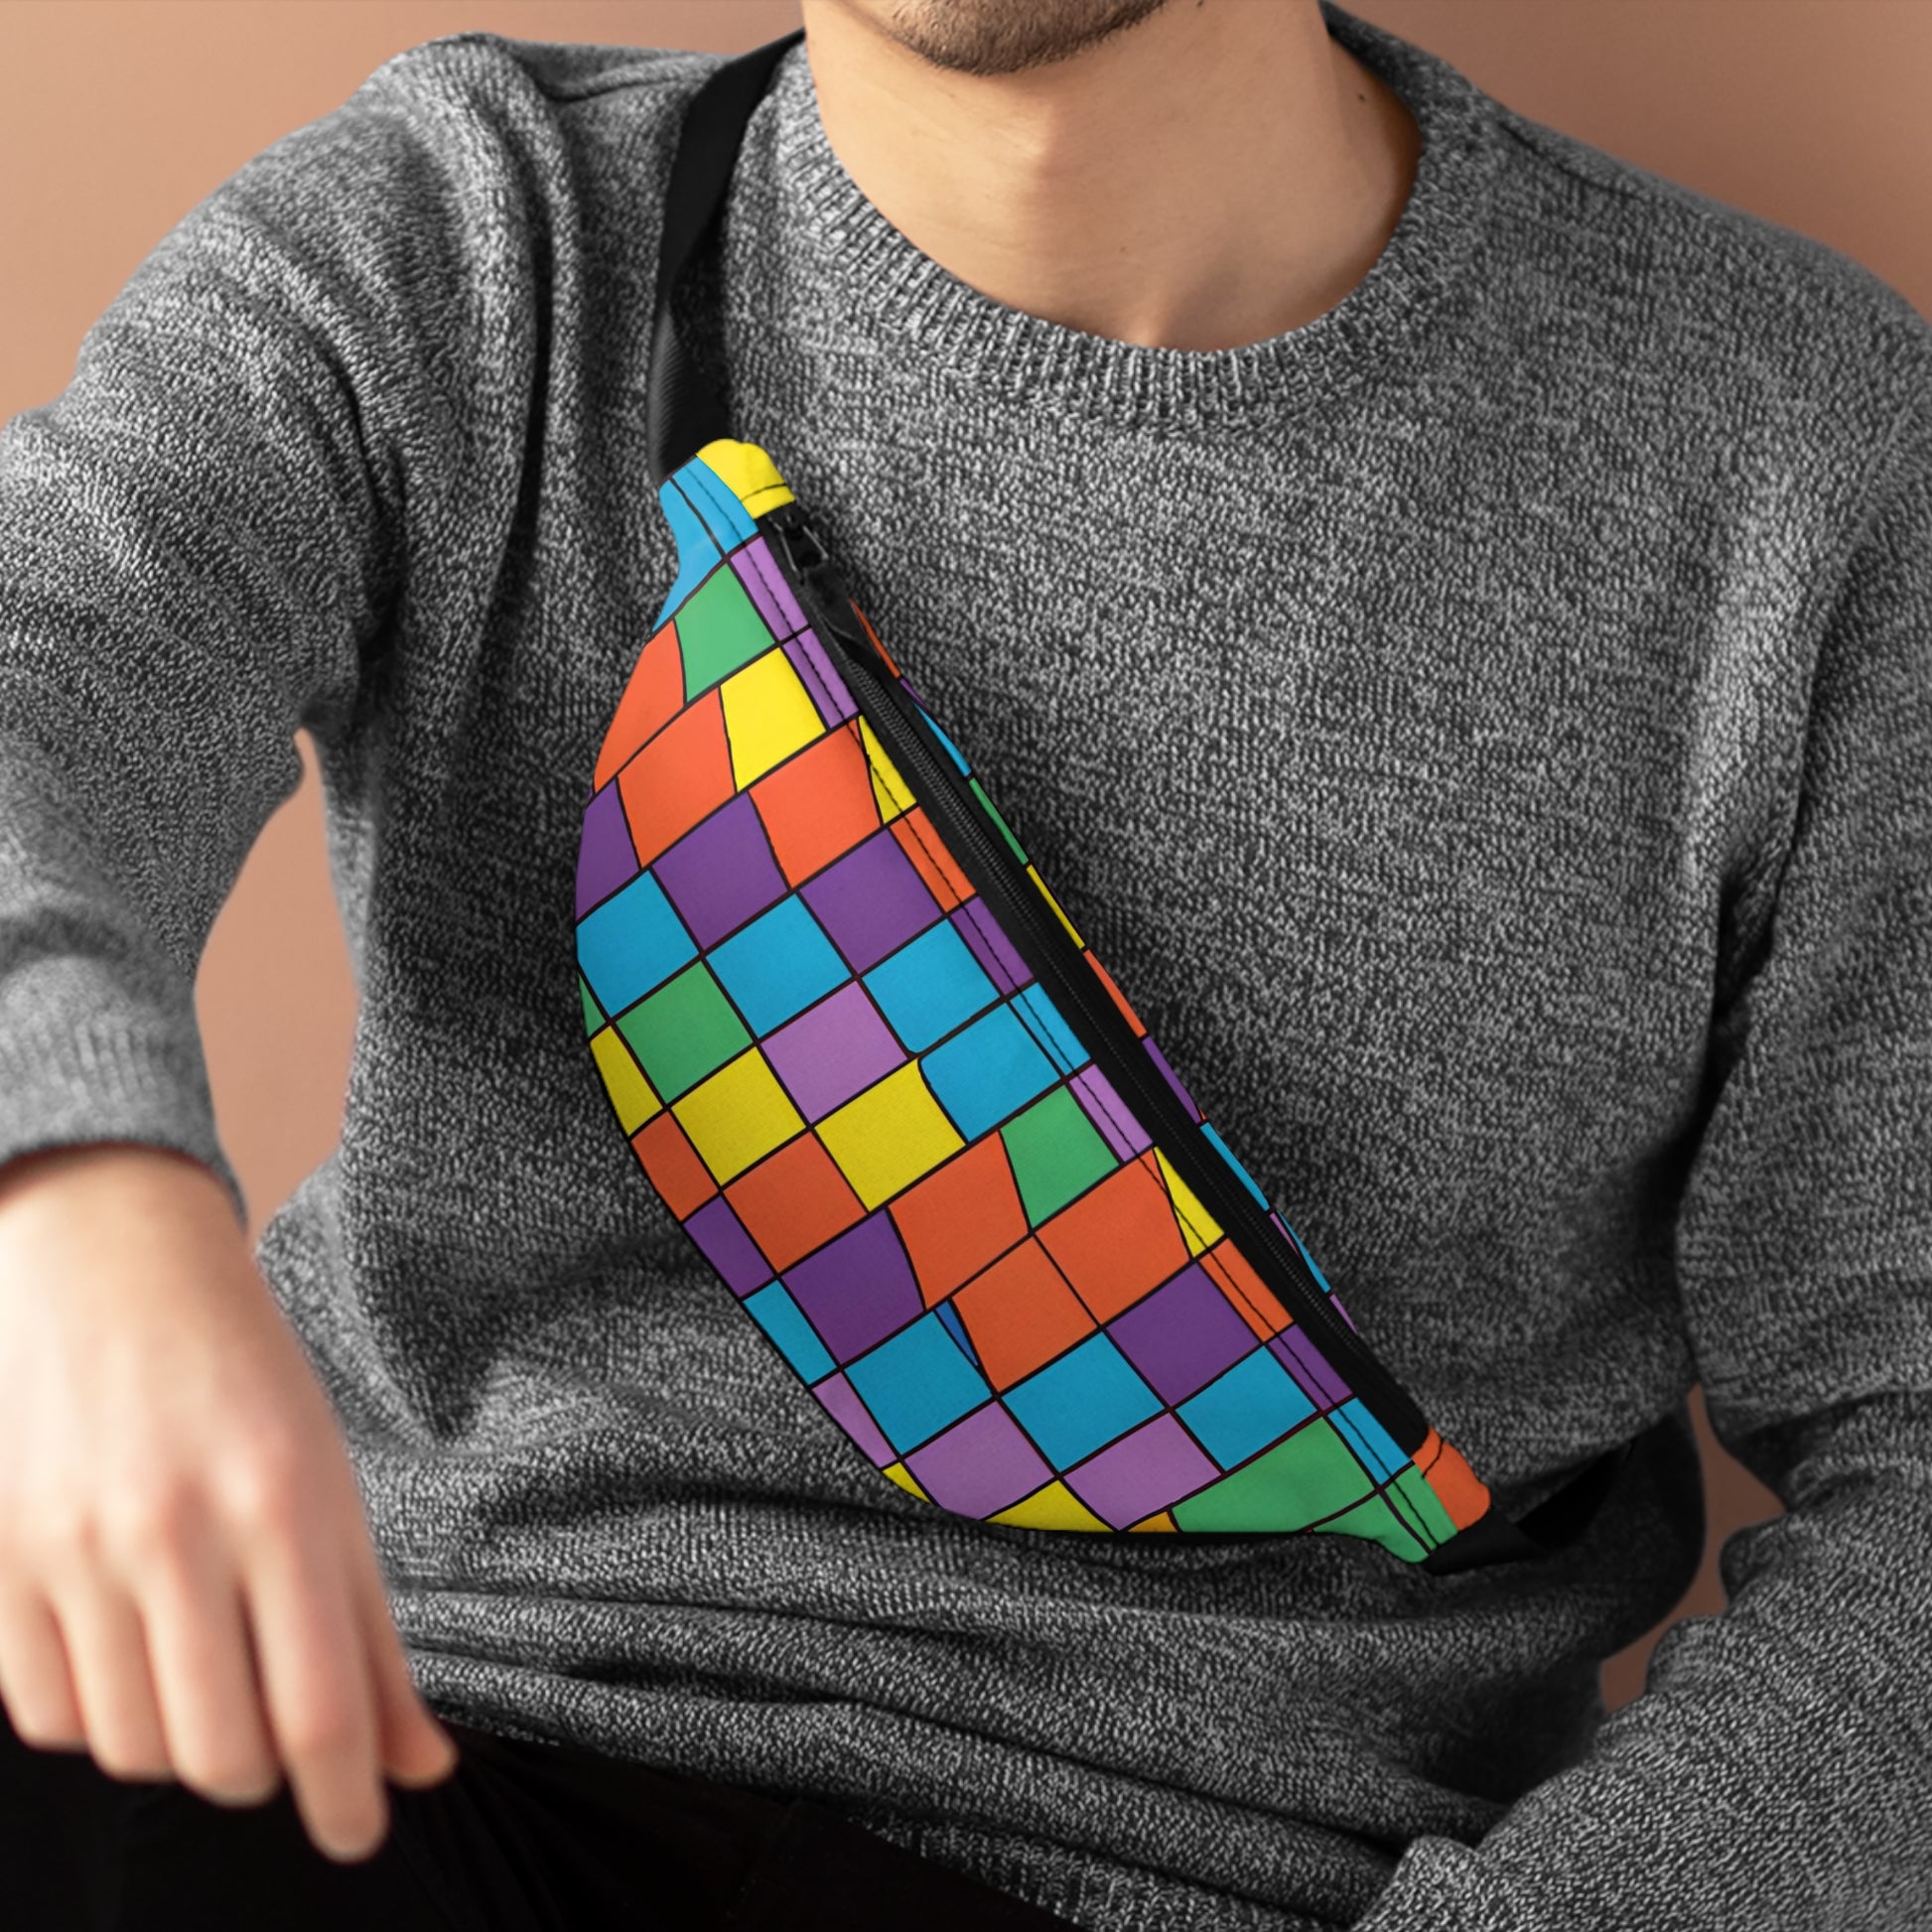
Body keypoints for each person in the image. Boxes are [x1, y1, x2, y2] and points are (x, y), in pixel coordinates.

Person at [0, 0, 1927, 1925]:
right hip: (388, 1762)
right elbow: (45, 668)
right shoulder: (465, 237)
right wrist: (79, 1189)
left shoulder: (1807, 458)